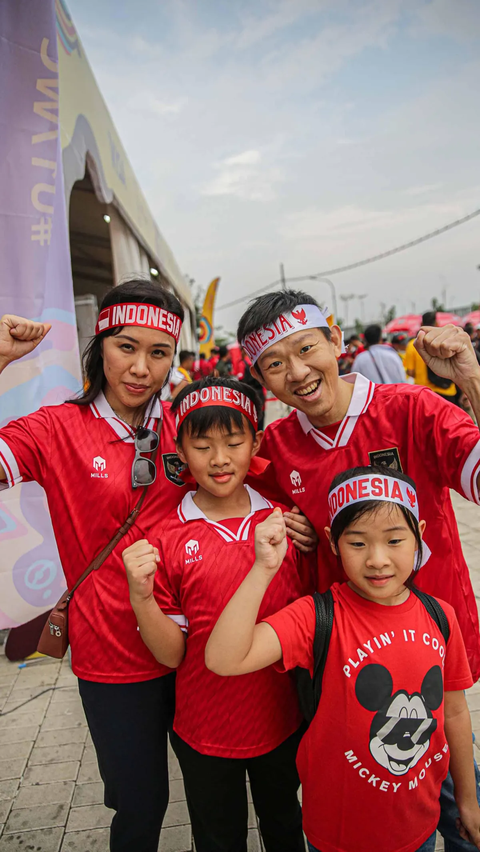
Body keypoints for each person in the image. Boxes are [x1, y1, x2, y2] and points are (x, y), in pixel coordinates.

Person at [237, 289, 480, 849]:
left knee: (459, 807)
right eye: (275, 363)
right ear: (262, 380)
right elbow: (211, 479)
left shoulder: (414, 410)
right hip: (347, 678)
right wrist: (271, 519)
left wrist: (470, 379)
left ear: (336, 340)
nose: (297, 372)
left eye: (306, 349)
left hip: (437, 659)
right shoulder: (276, 446)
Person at [0, 280, 191, 852]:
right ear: (99, 344)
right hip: (111, 658)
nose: (140, 367)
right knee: (139, 807)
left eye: (158, 353)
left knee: (215, 795)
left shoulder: (191, 425)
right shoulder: (53, 429)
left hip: (200, 649)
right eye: (125, 347)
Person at [206, 465, 480, 852]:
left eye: (395, 540)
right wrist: (263, 568)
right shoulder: (315, 617)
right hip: (337, 835)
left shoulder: (441, 616)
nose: (378, 559)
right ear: (332, 543)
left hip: (419, 830)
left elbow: (453, 712)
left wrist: (468, 802)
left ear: (419, 534)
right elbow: (223, 659)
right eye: (357, 543)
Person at [122, 377, 316, 852]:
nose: (220, 459)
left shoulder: (286, 523)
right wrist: (141, 598)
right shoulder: (165, 535)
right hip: (203, 729)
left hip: (282, 719)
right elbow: (171, 655)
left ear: (256, 442)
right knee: (217, 837)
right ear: (181, 451)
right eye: (203, 445)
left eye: (233, 442)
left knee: (286, 828)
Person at [405, 311, 457, 400]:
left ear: (421, 324)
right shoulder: (446, 342)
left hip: (425, 394)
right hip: (448, 392)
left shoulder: (413, 344)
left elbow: (410, 371)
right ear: (437, 323)